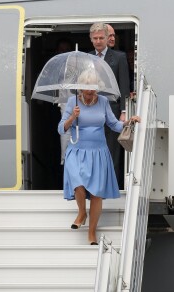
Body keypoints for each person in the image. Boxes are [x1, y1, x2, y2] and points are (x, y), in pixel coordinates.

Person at [57, 69, 140, 244]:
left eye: (93, 90)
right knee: (77, 183)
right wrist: (73, 117)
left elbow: (113, 124)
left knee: (95, 193)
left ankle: (92, 233)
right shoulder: (73, 102)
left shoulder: (102, 101)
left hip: (98, 152)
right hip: (77, 150)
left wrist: (128, 122)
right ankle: (81, 213)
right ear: (80, 88)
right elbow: (61, 128)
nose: (90, 94)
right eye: (87, 90)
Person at [89, 22, 130, 189]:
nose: (98, 41)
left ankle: (111, 187)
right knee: (93, 150)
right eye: (95, 38)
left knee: (112, 151)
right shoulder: (87, 57)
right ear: (91, 39)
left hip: (112, 110)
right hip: (91, 111)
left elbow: (124, 86)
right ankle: (95, 187)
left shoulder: (119, 57)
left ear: (108, 38)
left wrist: (124, 110)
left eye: (101, 38)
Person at [55, 38, 73, 165]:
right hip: (57, 109)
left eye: (67, 51)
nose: (64, 53)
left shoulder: (77, 72)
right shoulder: (53, 69)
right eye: (62, 50)